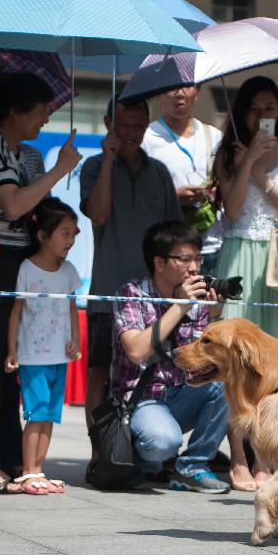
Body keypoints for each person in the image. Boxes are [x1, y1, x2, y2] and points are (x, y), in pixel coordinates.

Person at [0, 72, 81, 492]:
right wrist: (61, 168)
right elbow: (11, 206)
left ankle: (7, 458)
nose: (45, 120)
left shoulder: (25, 154)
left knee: (11, 365)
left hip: (19, 260)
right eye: (41, 112)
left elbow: (36, 210)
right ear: (15, 111)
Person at [80, 95, 181, 446]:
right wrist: (108, 163)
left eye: (138, 125)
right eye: (123, 124)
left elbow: (174, 236)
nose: (130, 132)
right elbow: (99, 215)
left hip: (154, 297)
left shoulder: (159, 173)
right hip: (108, 291)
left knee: (155, 372)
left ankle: (141, 449)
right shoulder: (94, 167)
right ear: (109, 124)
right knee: (98, 374)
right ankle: (101, 451)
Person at [111, 221, 229, 493]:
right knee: (163, 442)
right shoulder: (132, 293)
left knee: (226, 379)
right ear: (159, 263)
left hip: (181, 392)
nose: (195, 268)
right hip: (141, 398)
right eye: (184, 259)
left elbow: (205, 360)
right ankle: (144, 462)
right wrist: (179, 307)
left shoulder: (197, 297)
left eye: (198, 258)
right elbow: (137, 351)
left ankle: (192, 467)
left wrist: (215, 317)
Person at [213, 76, 278, 345]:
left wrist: (256, 171)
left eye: (269, 108)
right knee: (235, 344)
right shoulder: (227, 152)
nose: (261, 115)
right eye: (253, 108)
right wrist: (248, 160)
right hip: (238, 252)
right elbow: (232, 210)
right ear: (242, 111)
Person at [4, 198, 81, 494]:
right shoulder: (27, 268)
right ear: (42, 235)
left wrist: (74, 340)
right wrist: (12, 350)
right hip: (33, 356)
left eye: (74, 233)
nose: (71, 240)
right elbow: (16, 311)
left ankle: (40, 469)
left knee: (49, 415)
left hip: (59, 355)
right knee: (35, 414)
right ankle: (28, 471)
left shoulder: (69, 271)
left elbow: (73, 309)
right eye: (65, 233)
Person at [142, 85, 223, 275]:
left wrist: (212, 193)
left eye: (187, 86)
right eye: (171, 87)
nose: (180, 93)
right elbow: (141, 197)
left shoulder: (214, 135)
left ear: (198, 91)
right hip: (170, 252)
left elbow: (228, 186)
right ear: (160, 93)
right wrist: (173, 198)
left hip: (213, 247)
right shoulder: (146, 138)